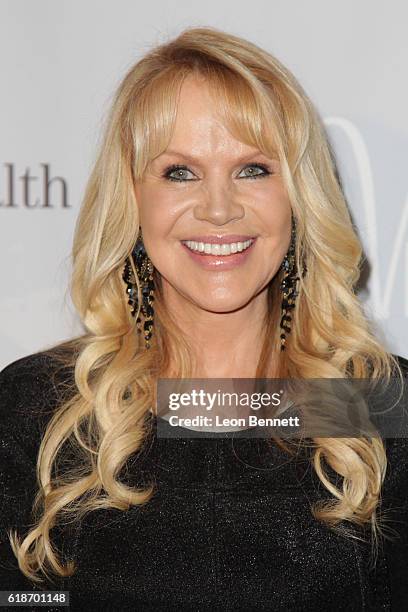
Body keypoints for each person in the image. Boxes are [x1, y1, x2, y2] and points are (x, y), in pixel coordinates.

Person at [0, 25, 407, 611]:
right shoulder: (42, 407)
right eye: (180, 172)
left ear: (298, 198)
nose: (219, 208)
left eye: (253, 169)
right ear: (132, 200)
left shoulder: (374, 404)